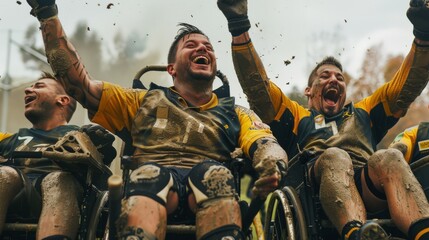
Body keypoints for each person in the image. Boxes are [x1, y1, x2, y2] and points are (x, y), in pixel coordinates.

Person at [24, 1, 289, 239]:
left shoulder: (236, 112)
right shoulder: (141, 101)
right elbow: (76, 84)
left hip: (211, 184)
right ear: (171, 68)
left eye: (208, 47)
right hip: (151, 181)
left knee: (214, 174)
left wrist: (272, 164)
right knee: (151, 175)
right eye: (191, 45)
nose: (202, 49)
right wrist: (48, 15)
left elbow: (264, 141)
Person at [218, 0, 429, 239]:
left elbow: (405, 89)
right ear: (309, 91)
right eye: (324, 75)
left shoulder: (364, 113)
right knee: (335, 156)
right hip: (314, 192)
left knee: (390, 156)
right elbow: (258, 88)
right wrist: (239, 26)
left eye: (340, 77)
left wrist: (423, 37)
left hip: (365, 185)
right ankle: (356, 235)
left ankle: (423, 232)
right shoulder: (297, 116)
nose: (334, 80)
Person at [0, 72, 81, 239]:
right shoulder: (9, 139)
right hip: (14, 196)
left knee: (57, 180)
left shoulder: (81, 136)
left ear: (63, 100)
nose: (28, 90)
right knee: (4, 174)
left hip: (63, 198)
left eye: (39, 86)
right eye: (30, 86)